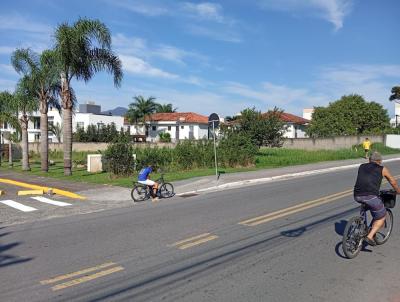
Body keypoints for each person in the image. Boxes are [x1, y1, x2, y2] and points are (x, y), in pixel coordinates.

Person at [353, 151, 400, 246]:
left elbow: (365, 179)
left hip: (357, 195)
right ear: (380, 161)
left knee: (367, 204)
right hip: (370, 196)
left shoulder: (361, 166)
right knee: (382, 215)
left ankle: (362, 224)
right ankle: (369, 236)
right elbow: (393, 182)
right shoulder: (382, 169)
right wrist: (398, 191)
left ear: (370, 160)